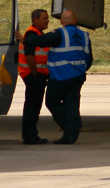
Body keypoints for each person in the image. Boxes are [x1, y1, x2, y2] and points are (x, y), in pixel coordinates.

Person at [19, 9, 93, 144]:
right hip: (78, 76)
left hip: (61, 76)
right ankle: (70, 135)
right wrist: (80, 69)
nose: (47, 20)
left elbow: (40, 41)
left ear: (61, 21)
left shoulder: (60, 34)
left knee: (52, 101)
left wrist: (24, 40)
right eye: (44, 18)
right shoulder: (84, 36)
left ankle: (70, 128)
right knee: (72, 104)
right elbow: (89, 59)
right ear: (75, 21)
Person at [18, 9, 51, 144]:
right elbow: (29, 54)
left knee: (33, 105)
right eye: (44, 18)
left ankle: (31, 134)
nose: (47, 20)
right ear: (35, 20)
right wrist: (35, 72)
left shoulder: (35, 34)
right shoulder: (32, 34)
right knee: (33, 105)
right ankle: (30, 135)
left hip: (35, 75)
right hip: (34, 75)